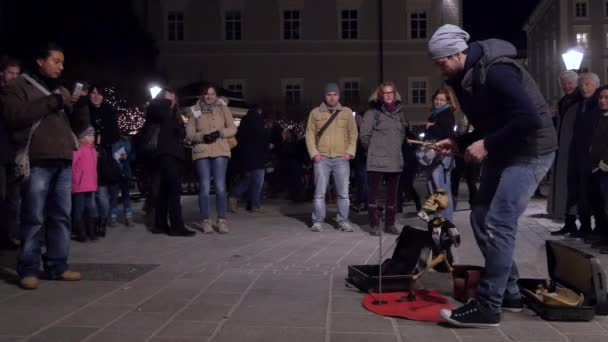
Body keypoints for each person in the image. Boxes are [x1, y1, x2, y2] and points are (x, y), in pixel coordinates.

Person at [428, 25, 557, 327]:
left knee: (499, 222)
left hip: (531, 149)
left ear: (459, 53)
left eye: (441, 60)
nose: (438, 68)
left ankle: (489, 306)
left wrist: (487, 144)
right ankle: (509, 291)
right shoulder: (460, 78)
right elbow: (493, 121)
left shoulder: (497, 71)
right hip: (506, 147)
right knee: (480, 216)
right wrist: (460, 142)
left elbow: (528, 118)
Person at [1, 43, 85, 289]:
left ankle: (57, 265)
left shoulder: (60, 89)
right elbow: (15, 117)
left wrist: (76, 106)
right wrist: (53, 101)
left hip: (63, 159)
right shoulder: (18, 87)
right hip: (37, 160)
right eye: (56, 61)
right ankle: (28, 268)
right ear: (40, 61)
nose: (61, 66)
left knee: (61, 216)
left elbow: (75, 125)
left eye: (62, 62)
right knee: (34, 216)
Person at [305, 83, 357, 232]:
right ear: (324, 95)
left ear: (339, 96)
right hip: (322, 158)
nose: (332, 97)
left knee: (343, 193)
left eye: (335, 94)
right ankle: (317, 221)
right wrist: (314, 154)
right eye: (329, 94)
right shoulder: (315, 113)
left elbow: (353, 133)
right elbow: (309, 134)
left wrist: (349, 152)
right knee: (320, 193)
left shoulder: (346, 112)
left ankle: (343, 221)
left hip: (342, 157)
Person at [186, 85, 237, 234]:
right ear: (202, 95)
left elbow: (233, 128)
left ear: (216, 95)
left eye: (212, 94)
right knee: (205, 187)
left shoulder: (222, 108)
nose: (209, 96)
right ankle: (205, 220)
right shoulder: (194, 110)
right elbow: (189, 134)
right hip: (202, 150)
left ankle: (222, 220)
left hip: (220, 149)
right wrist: (201, 136)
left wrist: (220, 133)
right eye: (206, 94)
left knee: (221, 186)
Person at [359, 82, 405, 235]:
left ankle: (390, 224)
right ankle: (374, 224)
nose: (388, 95)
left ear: (395, 94)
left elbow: (402, 135)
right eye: (385, 93)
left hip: (395, 160)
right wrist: (373, 150)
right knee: (374, 195)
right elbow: (364, 137)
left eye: (391, 92)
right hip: (377, 161)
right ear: (380, 95)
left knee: (393, 196)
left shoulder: (399, 113)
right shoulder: (372, 113)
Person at [147, 88, 195, 237]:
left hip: (173, 154)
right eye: (168, 99)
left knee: (165, 190)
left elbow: (182, 133)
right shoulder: (157, 110)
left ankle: (160, 224)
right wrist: (166, 103)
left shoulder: (174, 115)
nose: (171, 101)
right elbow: (159, 113)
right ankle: (177, 226)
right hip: (165, 153)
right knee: (174, 190)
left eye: (173, 99)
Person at [548, 71, 581, 229]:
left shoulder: (578, 101)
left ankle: (576, 223)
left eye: (569, 83)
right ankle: (568, 222)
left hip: (573, 150)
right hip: (562, 149)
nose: (566, 86)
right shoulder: (564, 101)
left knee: (573, 187)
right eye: (563, 83)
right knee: (565, 186)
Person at [423, 89, 456, 222]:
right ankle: (440, 220)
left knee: (442, 191)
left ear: (448, 101)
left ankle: (447, 223)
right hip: (434, 156)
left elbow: (447, 135)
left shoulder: (446, 114)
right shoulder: (435, 114)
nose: (438, 102)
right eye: (437, 99)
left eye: (442, 100)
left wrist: (430, 127)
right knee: (436, 190)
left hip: (442, 157)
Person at [229, 106, 268, 212]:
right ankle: (256, 205)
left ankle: (234, 195)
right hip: (258, 157)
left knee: (248, 179)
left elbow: (238, 141)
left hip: (246, 158)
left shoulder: (243, 124)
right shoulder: (259, 122)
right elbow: (264, 139)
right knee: (258, 182)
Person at [0, 56, 21, 250]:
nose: (13, 77)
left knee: (12, 199)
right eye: (10, 73)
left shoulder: (19, 96)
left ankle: (8, 235)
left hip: (14, 152)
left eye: (16, 74)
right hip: (2, 151)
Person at [71, 126, 99, 242]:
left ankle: (91, 232)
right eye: (89, 136)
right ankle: (81, 234)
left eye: (93, 135)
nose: (92, 138)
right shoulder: (77, 150)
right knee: (79, 210)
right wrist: (76, 179)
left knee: (91, 209)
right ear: (81, 138)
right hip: (79, 186)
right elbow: (71, 166)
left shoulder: (93, 151)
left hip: (90, 185)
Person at [590, 85, 608, 253]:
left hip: (605, 169)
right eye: (601, 97)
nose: (602, 100)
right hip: (598, 169)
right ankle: (604, 238)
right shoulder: (601, 117)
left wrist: (604, 164)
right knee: (601, 206)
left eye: (606, 98)